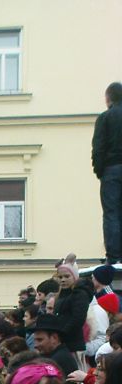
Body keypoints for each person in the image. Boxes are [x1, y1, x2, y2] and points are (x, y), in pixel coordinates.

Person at [92, 81, 122, 264]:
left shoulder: (105, 118)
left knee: (111, 213)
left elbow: (98, 147)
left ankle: (114, 257)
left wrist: (99, 170)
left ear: (108, 98)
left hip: (111, 169)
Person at [53, 255, 93, 354]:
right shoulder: (61, 294)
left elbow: (78, 319)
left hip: (72, 344)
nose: (63, 280)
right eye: (60, 277)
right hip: (62, 343)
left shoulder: (79, 294)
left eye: (67, 276)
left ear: (74, 277)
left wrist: (61, 334)